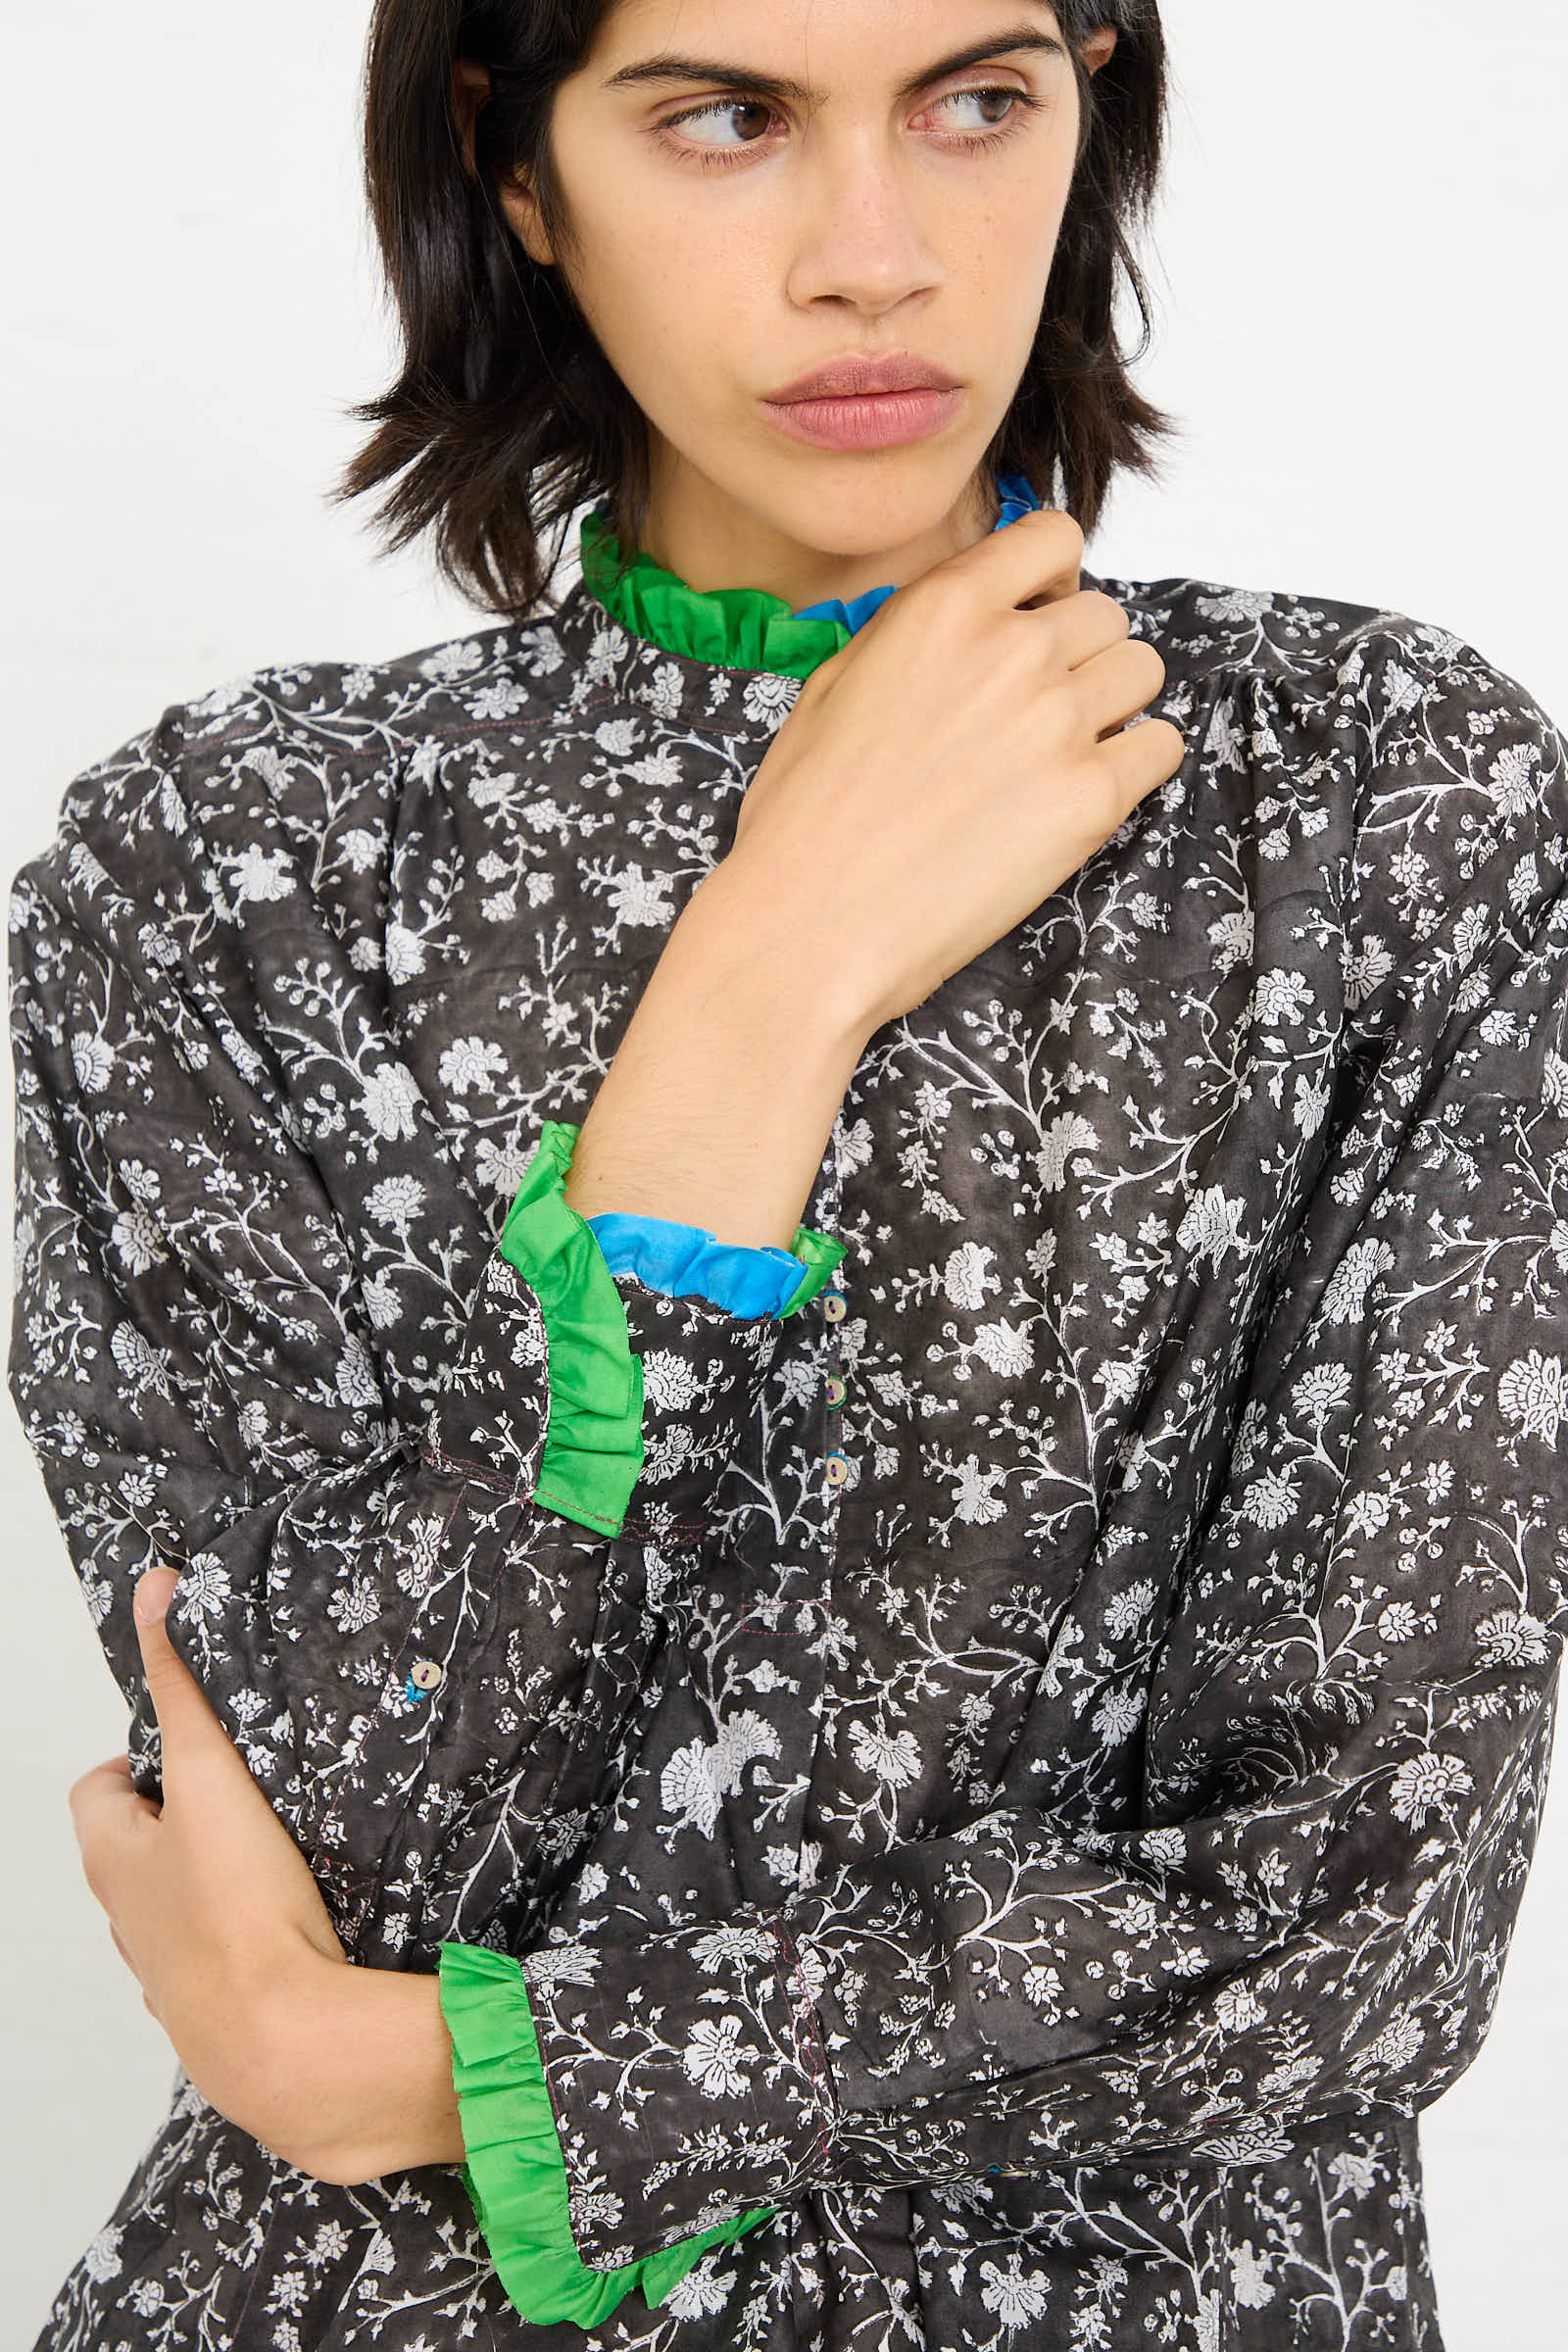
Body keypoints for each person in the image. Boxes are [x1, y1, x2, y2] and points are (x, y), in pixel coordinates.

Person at [11, 1, 1566, 2346]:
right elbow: (312, 1849)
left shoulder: (1371, 806)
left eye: (971, 101)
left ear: (1089, 102)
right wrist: (754, 999)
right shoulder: (225, 864)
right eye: (721, 118)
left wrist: (459, 2066)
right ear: (516, 170)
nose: (876, 256)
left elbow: (1368, 1900)